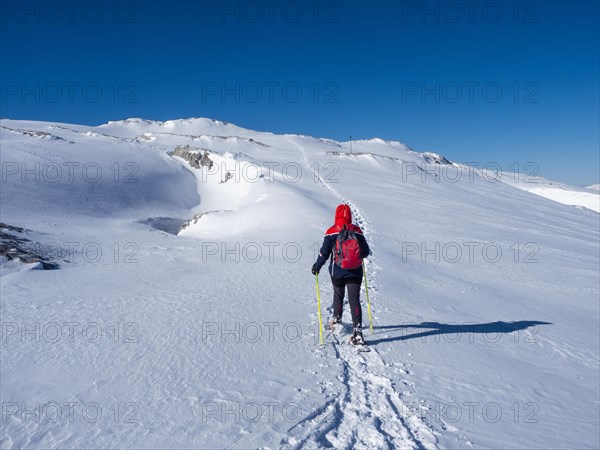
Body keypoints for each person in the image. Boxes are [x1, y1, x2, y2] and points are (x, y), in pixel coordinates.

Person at [311, 204, 371, 345]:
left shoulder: (331, 232)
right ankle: (357, 332)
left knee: (338, 295)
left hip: (337, 272)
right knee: (354, 299)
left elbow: (324, 253)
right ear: (350, 216)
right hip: (355, 271)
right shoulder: (357, 231)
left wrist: (317, 266)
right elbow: (366, 252)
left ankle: (337, 320)